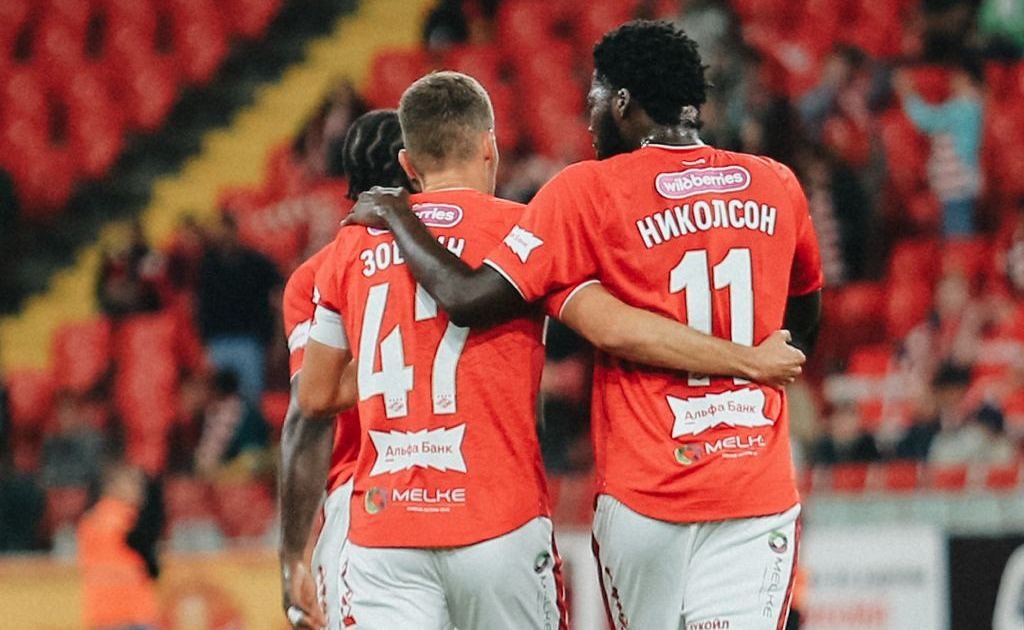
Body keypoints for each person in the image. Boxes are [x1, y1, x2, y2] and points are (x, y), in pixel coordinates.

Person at [345, 21, 823, 629]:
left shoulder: (584, 190)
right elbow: (803, 324)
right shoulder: (777, 183)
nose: (587, 116)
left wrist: (398, 214)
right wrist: (750, 367)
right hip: (753, 485)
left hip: (646, 493)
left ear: (622, 101)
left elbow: (466, 296)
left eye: (594, 96)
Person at [278, 109, 411, 630]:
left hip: (364, 503)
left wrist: (292, 557)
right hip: (470, 493)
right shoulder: (463, 258)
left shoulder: (315, 277)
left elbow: (307, 416)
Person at [196, 213, 282, 405]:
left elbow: (277, 297)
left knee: (250, 400)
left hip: (249, 341)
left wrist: (276, 339)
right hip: (217, 341)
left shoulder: (256, 263)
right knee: (217, 401)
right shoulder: (208, 265)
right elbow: (199, 306)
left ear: (234, 230)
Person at [893, 61, 983, 237]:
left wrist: (908, 94)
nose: (950, 81)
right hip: (956, 186)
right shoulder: (969, 105)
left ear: (965, 78)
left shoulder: (967, 106)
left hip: (958, 186)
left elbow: (928, 120)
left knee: (958, 241)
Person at [77, 464, 159, 630]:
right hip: (133, 611)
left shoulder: (89, 520)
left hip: (102, 611)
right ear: (113, 487)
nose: (139, 490)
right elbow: (152, 566)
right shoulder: (129, 521)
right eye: (133, 484)